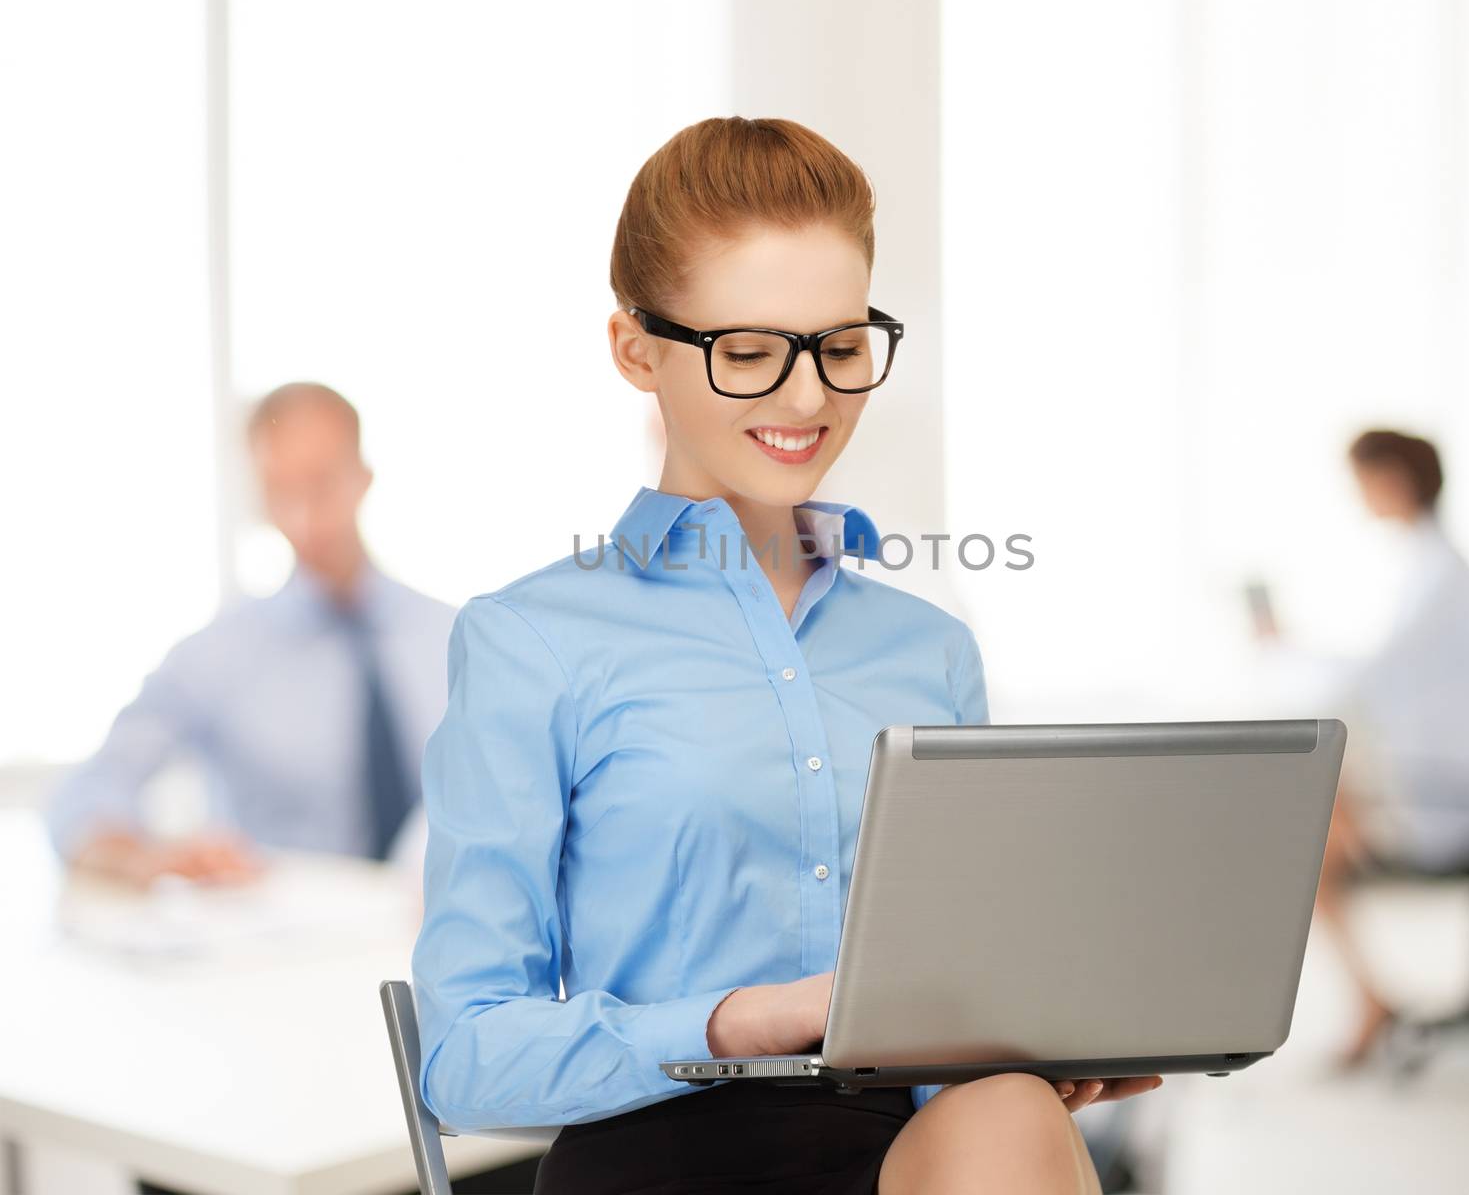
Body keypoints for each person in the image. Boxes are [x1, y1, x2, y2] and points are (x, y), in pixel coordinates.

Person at [411, 117, 1159, 1195]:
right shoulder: (531, 640)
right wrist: (753, 1018)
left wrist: (1033, 1037)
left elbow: (966, 971)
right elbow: (465, 1058)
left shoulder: (930, 650)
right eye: (750, 352)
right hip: (660, 1148)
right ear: (635, 351)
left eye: (841, 347)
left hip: (921, 1148)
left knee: (1006, 1108)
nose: (807, 400)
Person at [46, 382, 455, 886]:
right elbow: (88, 792)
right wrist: (137, 858)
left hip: (442, 938)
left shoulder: (456, 641)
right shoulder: (217, 655)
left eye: (321, 484)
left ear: (362, 478)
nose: (304, 518)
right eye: (280, 492)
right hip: (280, 949)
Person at [1257, 428, 1469, 1068]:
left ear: (1395, 479)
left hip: (1461, 795)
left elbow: (1370, 677)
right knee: (1312, 830)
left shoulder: (1442, 575)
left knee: (1308, 837)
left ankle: (1370, 1000)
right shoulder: (1432, 567)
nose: (1359, 497)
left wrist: (1288, 642)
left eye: (1364, 481)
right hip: (1444, 779)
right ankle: (1370, 997)